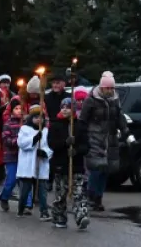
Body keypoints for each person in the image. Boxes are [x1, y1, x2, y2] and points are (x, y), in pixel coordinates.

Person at [79, 71, 130, 212]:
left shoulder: (115, 99)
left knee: (106, 170)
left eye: (112, 88)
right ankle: (91, 195)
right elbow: (83, 120)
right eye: (107, 88)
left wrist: (125, 129)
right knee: (96, 168)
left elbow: (119, 116)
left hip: (110, 138)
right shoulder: (91, 100)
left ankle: (99, 197)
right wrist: (82, 138)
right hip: (95, 138)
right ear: (102, 87)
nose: (110, 90)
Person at [48, 97, 90, 229]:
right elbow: (51, 144)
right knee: (61, 195)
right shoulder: (55, 125)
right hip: (61, 165)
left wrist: (76, 150)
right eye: (63, 107)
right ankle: (59, 218)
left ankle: (81, 216)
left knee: (79, 193)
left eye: (68, 107)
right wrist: (64, 143)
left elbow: (86, 146)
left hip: (76, 166)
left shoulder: (79, 125)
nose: (65, 109)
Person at [16, 105, 53, 220]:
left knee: (42, 191)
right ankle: (21, 208)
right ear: (31, 118)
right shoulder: (24, 129)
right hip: (27, 165)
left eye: (41, 117)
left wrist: (45, 153)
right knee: (25, 190)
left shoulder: (46, 131)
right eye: (36, 117)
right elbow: (21, 143)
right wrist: (34, 139)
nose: (39, 119)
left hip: (40, 165)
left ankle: (44, 211)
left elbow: (50, 146)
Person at [0, 103, 31, 213]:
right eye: (16, 108)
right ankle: (4, 197)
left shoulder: (27, 124)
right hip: (12, 156)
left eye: (21, 108)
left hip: (25, 157)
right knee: (11, 179)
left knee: (25, 180)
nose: (19, 111)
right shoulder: (8, 124)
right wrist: (17, 141)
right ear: (12, 110)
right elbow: (6, 139)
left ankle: (27, 204)